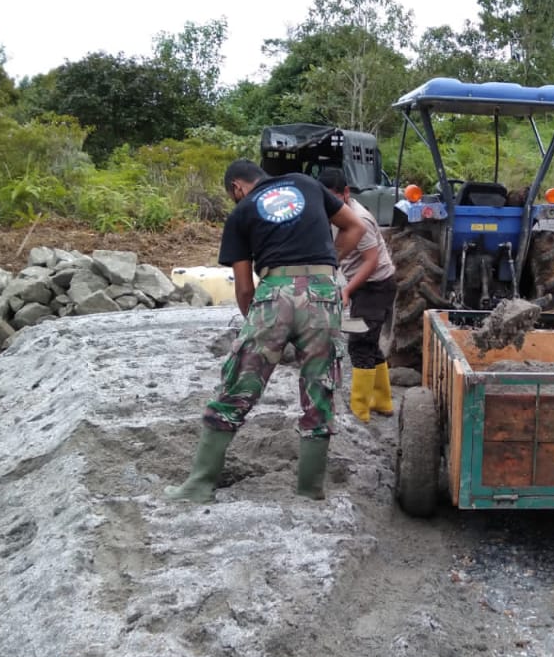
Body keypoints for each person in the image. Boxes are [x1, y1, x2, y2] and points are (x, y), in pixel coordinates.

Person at [165, 158, 366, 504]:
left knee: (237, 386)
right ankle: (309, 489)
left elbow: (244, 288)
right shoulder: (307, 183)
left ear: (237, 188)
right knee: (320, 391)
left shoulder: (242, 212)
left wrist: (256, 324)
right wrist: (325, 265)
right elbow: (355, 228)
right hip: (322, 293)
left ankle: (198, 486)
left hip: (274, 294)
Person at [317, 167, 397, 422]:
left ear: (346, 193)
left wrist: (347, 290)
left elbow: (371, 261)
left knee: (360, 344)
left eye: (333, 198)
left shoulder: (358, 219)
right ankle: (382, 401)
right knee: (370, 342)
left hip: (375, 286)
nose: (329, 205)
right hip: (367, 286)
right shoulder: (337, 213)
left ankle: (359, 410)